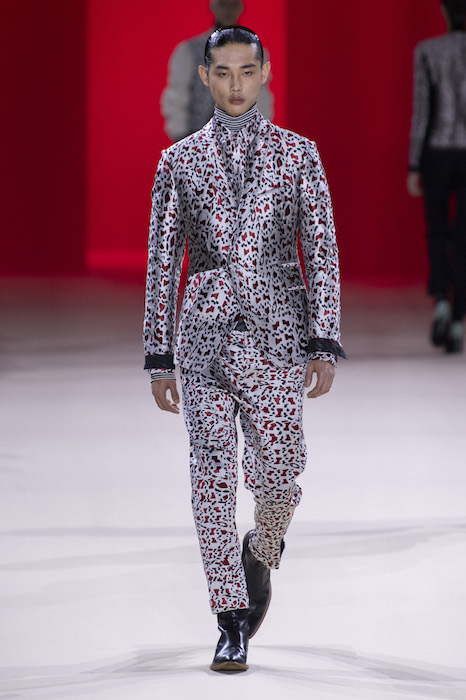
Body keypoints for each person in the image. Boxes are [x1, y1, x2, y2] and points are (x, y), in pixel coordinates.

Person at [144, 26, 346, 673]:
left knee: (281, 471)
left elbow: (321, 249)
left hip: (278, 338)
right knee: (211, 477)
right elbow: (162, 261)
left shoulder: (298, 155)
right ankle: (229, 617)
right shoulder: (177, 161)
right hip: (202, 341)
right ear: (205, 76)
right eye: (223, 72)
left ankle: (262, 547)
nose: (235, 85)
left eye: (246, 71)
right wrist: (158, 353)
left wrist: (324, 338)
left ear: (264, 74)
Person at [407, 0, 466, 353]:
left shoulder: (428, 51)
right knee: (463, 234)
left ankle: (442, 297)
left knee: (437, 229)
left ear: (444, 12)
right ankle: (458, 317)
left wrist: (414, 164)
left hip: (437, 151)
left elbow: (422, 110)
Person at [161, 0, 273, 141]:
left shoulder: (255, 52)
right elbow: (178, 95)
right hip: (198, 139)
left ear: (240, 7)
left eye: (233, 5)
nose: (228, 10)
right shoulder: (190, 51)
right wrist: (181, 135)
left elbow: (260, 95)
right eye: (223, 4)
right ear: (213, 6)